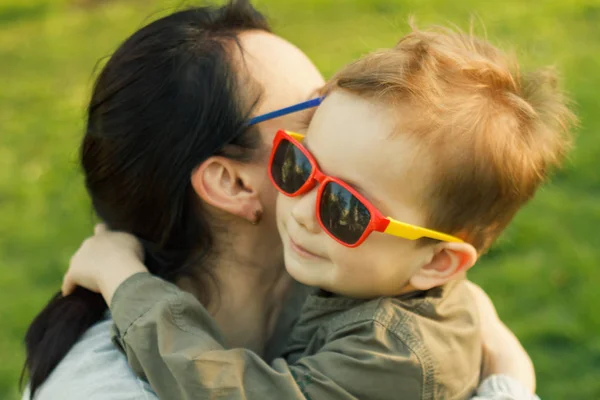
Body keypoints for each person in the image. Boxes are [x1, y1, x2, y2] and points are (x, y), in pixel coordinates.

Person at [22, 2, 538, 399]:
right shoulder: (98, 388)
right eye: (301, 150)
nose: (335, 131)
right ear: (232, 183)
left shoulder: (375, 309)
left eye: (345, 204)